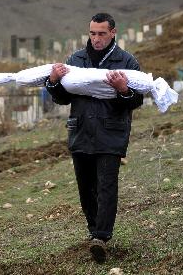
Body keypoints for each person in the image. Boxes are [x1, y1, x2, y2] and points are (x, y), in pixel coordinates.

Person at [45, 13, 143, 263]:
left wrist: (123, 90)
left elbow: (137, 100)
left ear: (113, 33)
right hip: (80, 131)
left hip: (111, 132)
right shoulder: (76, 59)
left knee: (106, 185)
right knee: (85, 187)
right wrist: (53, 82)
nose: (96, 38)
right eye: (92, 33)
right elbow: (62, 98)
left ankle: (101, 236)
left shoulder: (127, 61)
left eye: (101, 33)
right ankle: (93, 229)